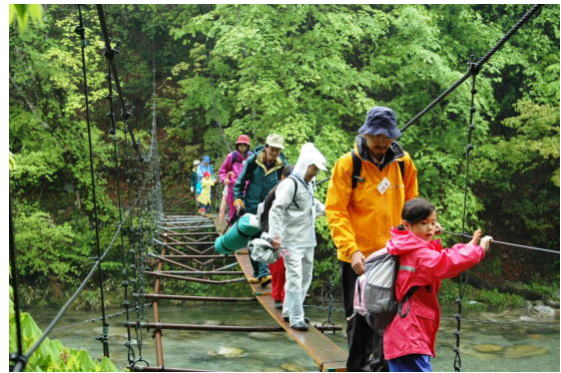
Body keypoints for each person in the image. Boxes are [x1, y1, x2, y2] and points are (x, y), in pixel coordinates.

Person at [325, 106, 419, 370]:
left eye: (386, 135)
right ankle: (356, 368)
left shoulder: (403, 163)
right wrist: (351, 249)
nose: (381, 141)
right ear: (365, 135)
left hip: (392, 257)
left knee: (389, 323)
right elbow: (335, 210)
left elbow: (412, 207)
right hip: (359, 258)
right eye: (376, 135)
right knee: (358, 322)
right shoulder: (348, 164)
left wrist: (423, 231)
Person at [384, 198, 492, 372]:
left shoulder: (404, 245)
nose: (430, 228)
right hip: (410, 334)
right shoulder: (417, 254)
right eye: (423, 223)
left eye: (433, 223)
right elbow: (446, 263)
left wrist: (470, 246)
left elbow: (441, 257)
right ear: (407, 225)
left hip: (401, 331)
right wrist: (479, 250)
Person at [268, 143, 327, 331]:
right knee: (294, 276)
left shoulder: (309, 186)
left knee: (305, 277)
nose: (315, 172)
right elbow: (276, 209)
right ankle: (296, 317)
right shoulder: (290, 184)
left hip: (307, 240)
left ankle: (290, 310)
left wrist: (332, 211)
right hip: (289, 240)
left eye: (317, 169)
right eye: (313, 168)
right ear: (305, 164)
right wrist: (275, 236)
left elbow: (313, 206)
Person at [234, 134, 287, 286]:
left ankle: (262, 273)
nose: (274, 153)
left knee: (264, 237)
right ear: (266, 148)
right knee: (253, 238)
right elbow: (240, 181)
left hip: (270, 207)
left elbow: (287, 184)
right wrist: (238, 199)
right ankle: (261, 273)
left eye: (277, 151)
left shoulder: (281, 165)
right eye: (272, 150)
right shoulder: (253, 161)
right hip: (251, 205)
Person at [257, 164, 294, 310]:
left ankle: (282, 296)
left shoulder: (287, 190)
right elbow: (268, 215)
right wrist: (271, 235)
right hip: (274, 235)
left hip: (285, 235)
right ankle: (278, 296)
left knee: (284, 267)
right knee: (279, 267)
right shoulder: (276, 192)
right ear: (282, 178)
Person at [219, 135, 253, 222]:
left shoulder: (251, 157)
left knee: (245, 210)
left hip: (247, 188)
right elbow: (222, 171)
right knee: (233, 210)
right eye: (240, 145)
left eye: (244, 145)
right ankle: (232, 226)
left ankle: (244, 229)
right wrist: (224, 179)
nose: (242, 147)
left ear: (247, 146)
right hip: (233, 188)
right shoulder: (231, 156)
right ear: (237, 145)